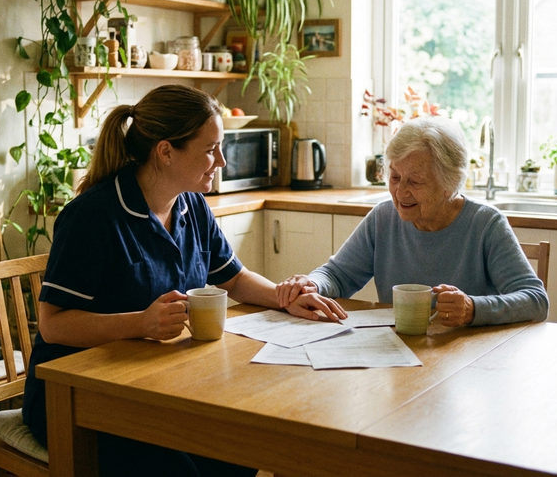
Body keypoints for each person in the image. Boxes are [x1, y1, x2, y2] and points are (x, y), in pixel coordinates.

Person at [22, 84, 344, 476]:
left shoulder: (192, 205)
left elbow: (235, 279)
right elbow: (53, 325)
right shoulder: (92, 216)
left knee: (242, 451)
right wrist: (141, 322)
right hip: (74, 396)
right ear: (166, 151)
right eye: (211, 149)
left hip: (154, 383)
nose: (221, 160)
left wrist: (282, 296)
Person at [276, 117, 548, 327]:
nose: (400, 192)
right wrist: (312, 284)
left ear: (450, 183)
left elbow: (536, 300)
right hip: (399, 352)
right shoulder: (383, 218)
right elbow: (337, 275)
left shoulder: (485, 224)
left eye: (415, 181)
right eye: (395, 178)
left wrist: (473, 308)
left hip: (468, 358)